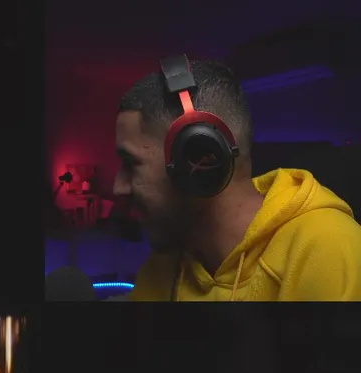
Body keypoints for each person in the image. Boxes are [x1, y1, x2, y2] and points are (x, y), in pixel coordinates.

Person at [113, 57, 361, 301]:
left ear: (199, 158)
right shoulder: (162, 267)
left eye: (131, 164)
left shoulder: (327, 251)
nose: (117, 188)